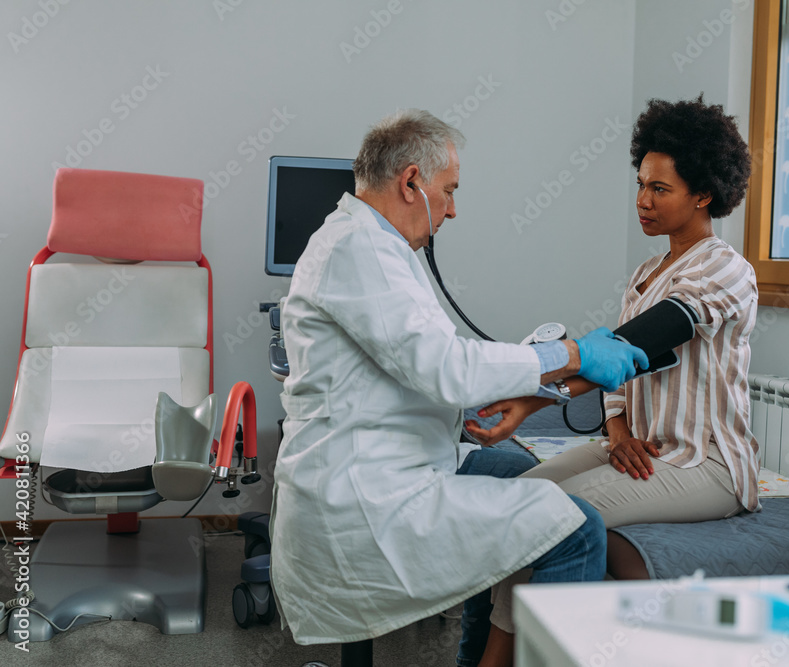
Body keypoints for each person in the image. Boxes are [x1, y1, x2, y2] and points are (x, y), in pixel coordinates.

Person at [267, 109, 649, 667]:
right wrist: (570, 355)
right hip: (367, 497)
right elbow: (445, 366)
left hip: (398, 460)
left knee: (528, 477)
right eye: (448, 191)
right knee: (578, 528)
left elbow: (416, 364)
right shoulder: (360, 250)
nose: (452, 208)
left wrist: (502, 400)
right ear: (411, 182)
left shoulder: (377, 244)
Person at [466, 95, 759, 637]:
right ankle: (489, 643)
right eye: (641, 185)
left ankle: (493, 658)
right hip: (642, 450)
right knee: (515, 501)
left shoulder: (727, 269)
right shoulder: (646, 274)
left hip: (707, 464)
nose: (643, 200)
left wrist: (530, 400)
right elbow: (620, 374)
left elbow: (654, 336)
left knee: (547, 513)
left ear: (703, 195)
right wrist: (618, 432)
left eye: (660, 189)